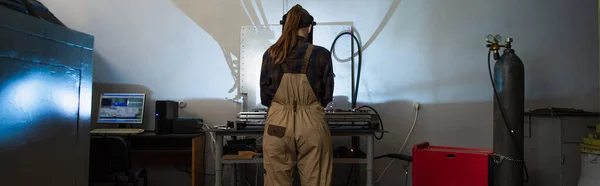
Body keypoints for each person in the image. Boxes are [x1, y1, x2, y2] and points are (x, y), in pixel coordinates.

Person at [259, 4, 334, 186]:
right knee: (316, 180)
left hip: (278, 124)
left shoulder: (270, 54)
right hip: (311, 124)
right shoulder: (321, 54)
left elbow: (265, 98)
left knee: (276, 182)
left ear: (285, 27)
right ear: (309, 27)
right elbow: (327, 96)